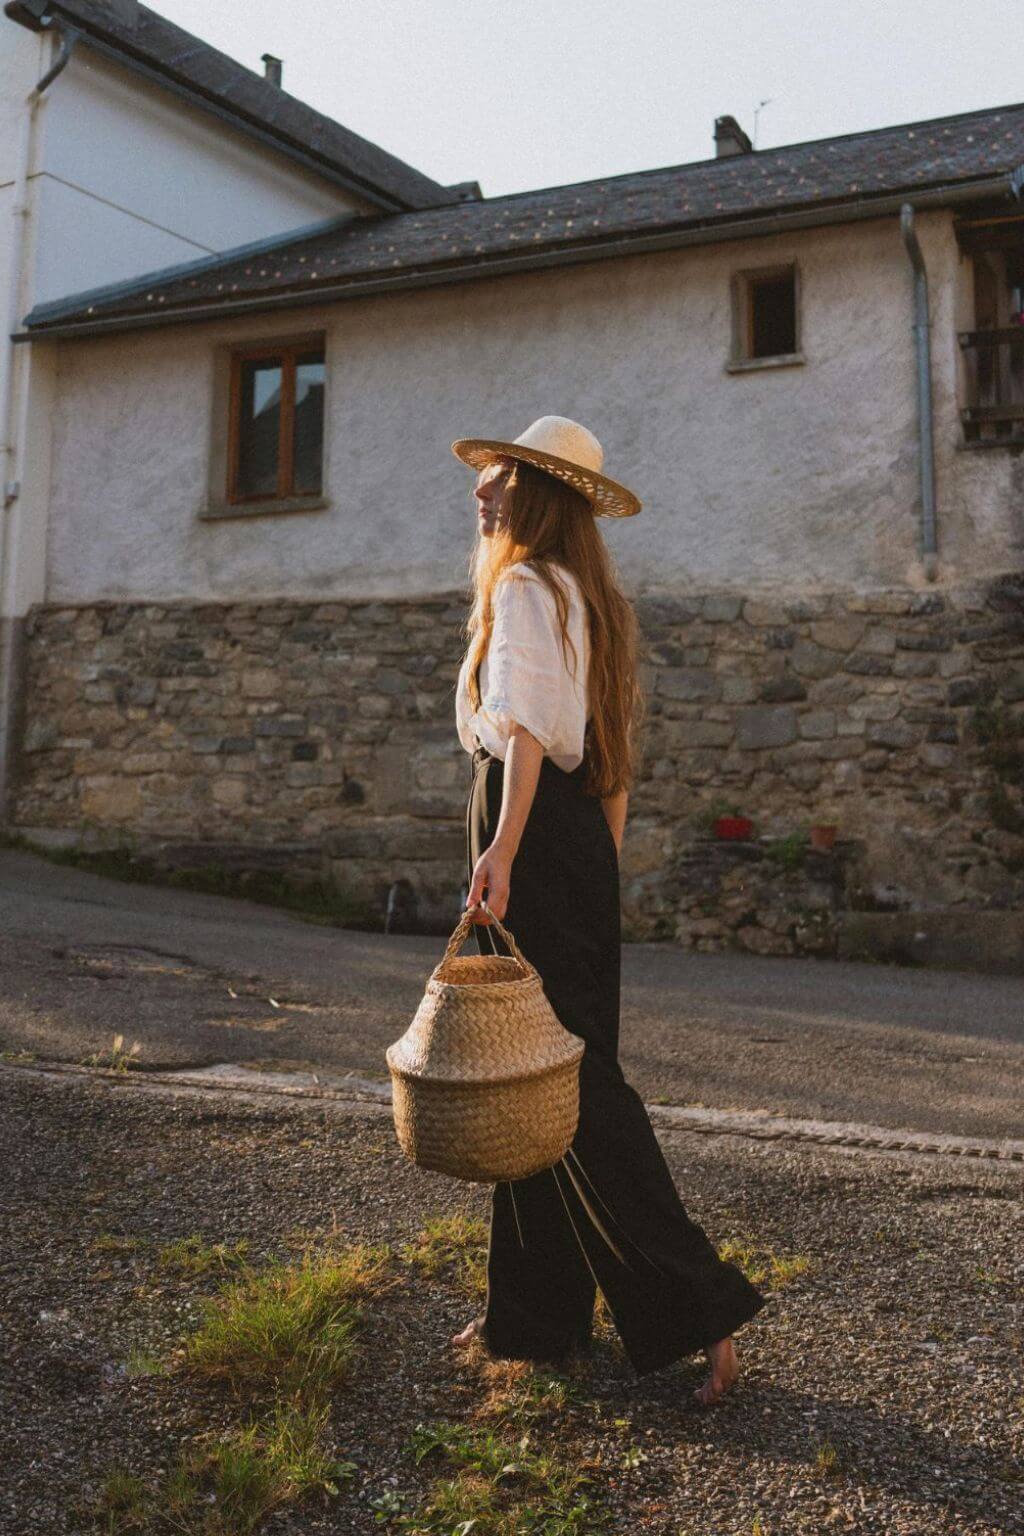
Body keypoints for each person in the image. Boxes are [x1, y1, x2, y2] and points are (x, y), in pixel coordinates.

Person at [448, 416, 766, 1405]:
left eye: (496, 475)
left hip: (534, 834)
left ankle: (700, 1305)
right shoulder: (590, 601)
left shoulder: (524, 587)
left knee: (569, 1088)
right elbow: (612, 758)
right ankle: (533, 1319)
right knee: (530, 1082)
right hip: (576, 844)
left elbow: (528, 741)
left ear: (532, 491)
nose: (479, 492)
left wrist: (504, 853)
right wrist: (595, 865)